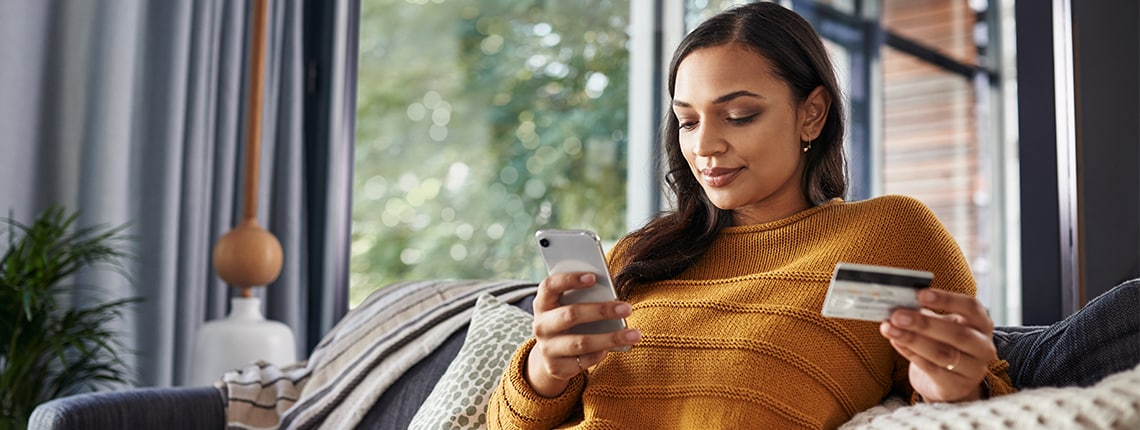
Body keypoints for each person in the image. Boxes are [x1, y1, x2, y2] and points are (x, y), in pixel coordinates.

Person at [487, 3, 1015, 429]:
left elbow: (986, 400)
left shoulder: (889, 235)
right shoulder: (638, 256)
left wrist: (958, 390)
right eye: (687, 122)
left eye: (739, 115)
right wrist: (545, 369)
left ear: (812, 113)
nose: (705, 146)